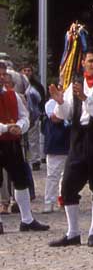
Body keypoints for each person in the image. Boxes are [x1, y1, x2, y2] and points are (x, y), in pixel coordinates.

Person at [48, 51, 93, 247]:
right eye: (90, 61)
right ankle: (73, 232)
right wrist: (60, 101)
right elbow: (66, 113)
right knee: (68, 183)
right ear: (83, 63)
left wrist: (86, 98)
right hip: (79, 138)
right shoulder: (75, 83)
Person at [0, 62, 48, 235]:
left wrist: (20, 126)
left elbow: (24, 116)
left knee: (20, 180)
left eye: (3, 74)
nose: (2, 77)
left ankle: (26, 219)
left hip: (11, 143)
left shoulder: (13, 96)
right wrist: (6, 127)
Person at [41, 84, 69, 213]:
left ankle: (64, 197)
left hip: (70, 141)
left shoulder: (74, 102)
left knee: (68, 174)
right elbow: (56, 118)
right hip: (56, 142)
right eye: (60, 87)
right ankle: (49, 201)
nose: (62, 90)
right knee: (53, 174)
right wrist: (61, 104)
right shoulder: (51, 103)